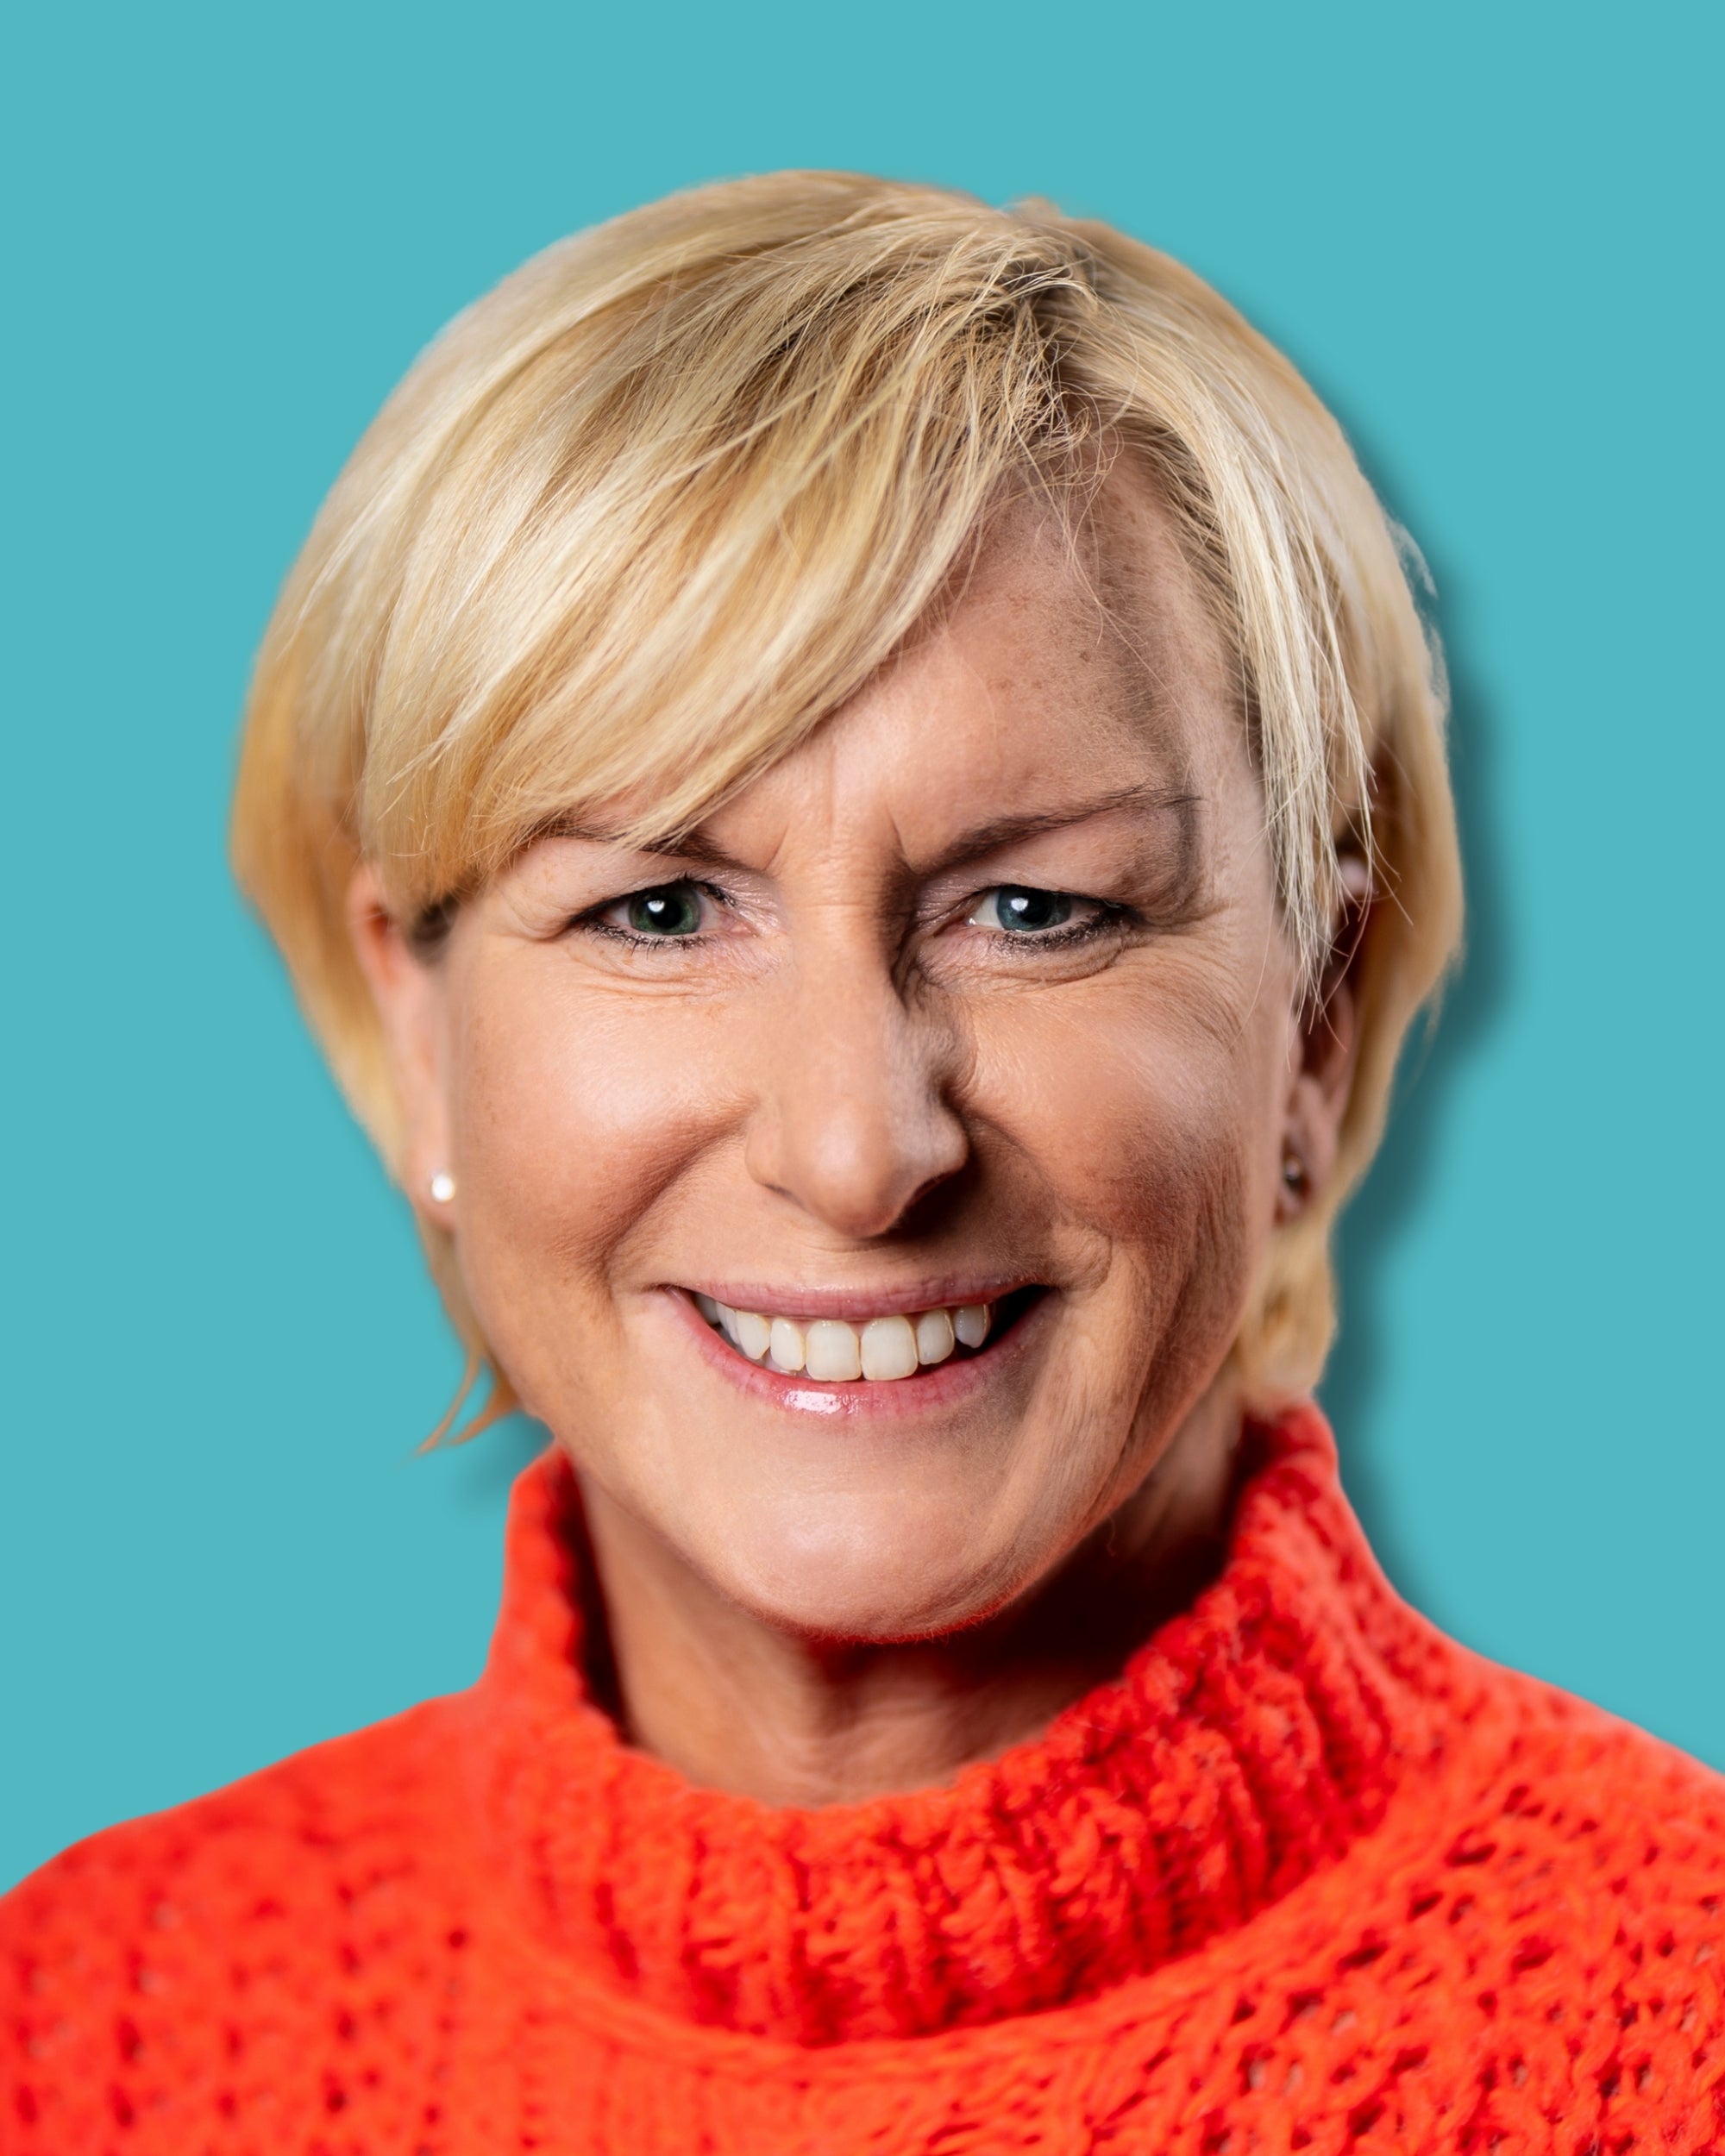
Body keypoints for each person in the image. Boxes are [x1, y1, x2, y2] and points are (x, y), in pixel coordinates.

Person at [5, 171, 1721, 2152]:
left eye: (1038, 909)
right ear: (420, 1027)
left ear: (1311, 1023)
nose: (854, 1149)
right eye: (658, 909)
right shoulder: (84, 2030)